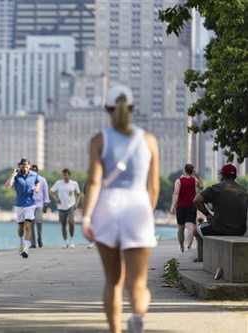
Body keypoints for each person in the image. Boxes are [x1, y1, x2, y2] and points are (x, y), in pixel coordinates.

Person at [81, 84, 160, 333]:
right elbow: (154, 188)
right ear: (133, 107)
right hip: (138, 206)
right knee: (138, 283)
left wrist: (85, 217)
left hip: (108, 208)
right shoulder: (148, 140)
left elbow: (94, 182)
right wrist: (147, 213)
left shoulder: (98, 140)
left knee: (113, 282)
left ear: (106, 109)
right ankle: (138, 315)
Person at [193, 163, 248, 262]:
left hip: (220, 228)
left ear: (223, 175)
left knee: (196, 231)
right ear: (235, 175)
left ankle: (202, 259)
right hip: (240, 230)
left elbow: (196, 200)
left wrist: (208, 215)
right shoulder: (244, 190)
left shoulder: (216, 188)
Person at [5, 157, 40, 258]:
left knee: (28, 226)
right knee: (21, 227)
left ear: (29, 166)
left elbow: (38, 182)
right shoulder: (16, 176)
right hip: (19, 205)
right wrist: (13, 174)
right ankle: (21, 243)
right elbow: (7, 186)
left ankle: (26, 248)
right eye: (23, 166)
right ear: (20, 166)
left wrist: (36, 188)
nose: (25, 167)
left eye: (26, 165)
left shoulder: (34, 175)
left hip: (30, 205)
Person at [169, 164, 203, 252]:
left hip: (181, 207)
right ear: (192, 171)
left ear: (184, 170)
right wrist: (196, 175)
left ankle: (181, 246)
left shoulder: (178, 181)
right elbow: (201, 186)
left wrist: (172, 206)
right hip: (191, 206)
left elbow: (176, 193)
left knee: (181, 228)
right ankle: (188, 245)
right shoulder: (194, 180)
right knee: (191, 228)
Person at [50, 168, 81, 248]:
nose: (64, 177)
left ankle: (71, 239)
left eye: (66, 175)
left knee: (71, 222)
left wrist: (76, 204)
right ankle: (65, 241)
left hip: (71, 206)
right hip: (61, 207)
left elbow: (78, 194)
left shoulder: (74, 183)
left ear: (69, 175)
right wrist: (56, 198)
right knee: (63, 224)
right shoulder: (58, 183)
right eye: (63, 175)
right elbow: (51, 191)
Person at [30, 164, 50, 248]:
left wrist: (46, 204)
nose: (34, 171)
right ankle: (33, 243)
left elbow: (45, 192)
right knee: (31, 224)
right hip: (29, 205)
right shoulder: (28, 179)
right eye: (32, 170)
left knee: (39, 222)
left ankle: (40, 239)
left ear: (37, 171)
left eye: (35, 170)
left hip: (39, 205)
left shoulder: (42, 180)